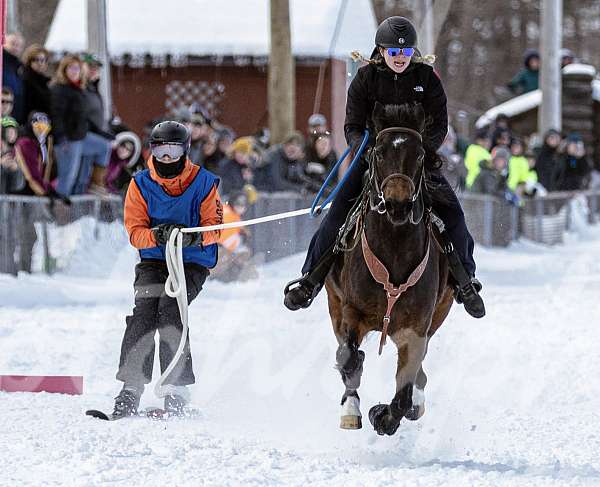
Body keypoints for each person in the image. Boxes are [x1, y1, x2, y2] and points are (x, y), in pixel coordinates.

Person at [283, 16, 485, 318]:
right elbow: (352, 125)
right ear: (382, 51)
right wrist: (364, 150)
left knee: (453, 213)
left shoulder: (427, 79)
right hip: (373, 161)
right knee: (338, 212)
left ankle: (465, 280)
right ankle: (310, 279)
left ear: (412, 53)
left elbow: (440, 124)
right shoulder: (365, 79)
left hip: (415, 162)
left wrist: (422, 150)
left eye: (404, 53)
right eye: (393, 52)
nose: (400, 58)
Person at [113, 121, 223, 418]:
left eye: (173, 150)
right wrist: (157, 235)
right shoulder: (140, 184)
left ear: (185, 150)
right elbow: (135, 230)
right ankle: (131, 387)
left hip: (191, 262)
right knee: (145, 310)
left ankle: (176, 389)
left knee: (171, 309)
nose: (166, 157)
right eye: (161, 150)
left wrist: (192, 235)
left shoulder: (203, 182)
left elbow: (215, 227)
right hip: (153, 260)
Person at [50, 54, 111, 197]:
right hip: (67, 140)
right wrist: (61, 138)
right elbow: (56, 115)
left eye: (77, 68)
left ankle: (97, 184)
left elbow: (84, 118)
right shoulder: (59, 89)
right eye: (71, 68)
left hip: (81, 136)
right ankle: (59, 213)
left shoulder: (79, 89)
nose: (74, 71)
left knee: (104, 146)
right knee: (68, 177)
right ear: (64, 70)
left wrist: (103, 133)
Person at [81, 53, 113, 194]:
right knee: (80, 176)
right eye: (90, 67)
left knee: (84, 174)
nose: (94, 70)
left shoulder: (93, 88)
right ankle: (96, 184)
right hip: (84, 134)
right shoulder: (81, 89)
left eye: (96, 68)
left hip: (94, 134)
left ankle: (95, 186)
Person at [21, 44, 51, 118]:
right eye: (36, 60)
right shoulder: (25, 79)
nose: (40, 63)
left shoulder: (44, 82)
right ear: (29, 61)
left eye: (43, 60)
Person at [2, 32, 25, 123]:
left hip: (15, 116)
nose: (15, 48)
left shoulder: (19, 67)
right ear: (5, 44)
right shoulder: (2, 62)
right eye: (13, 44)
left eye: (19, 45)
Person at [438, 124, 467, 192]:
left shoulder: (457, 158)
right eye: (446, 140)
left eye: (450, 140)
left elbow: (464, 174)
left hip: (453, 190)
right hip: (439, 190)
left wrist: (457, 164)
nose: (448, 143)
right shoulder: (435, 157)